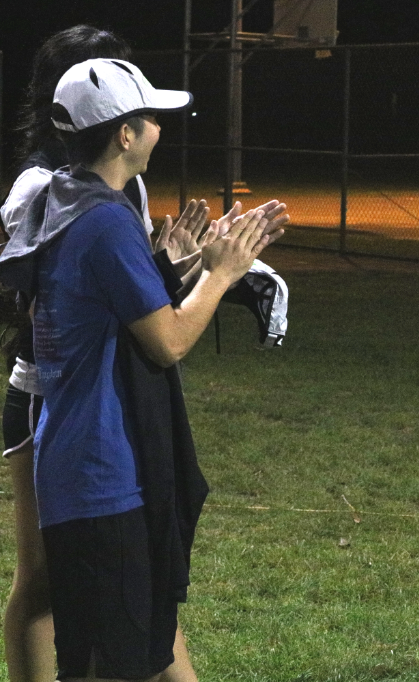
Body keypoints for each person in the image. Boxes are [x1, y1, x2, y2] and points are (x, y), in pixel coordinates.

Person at [0, 57, 280, 682]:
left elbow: (114, 312)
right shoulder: (103, 220)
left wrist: (181, 265)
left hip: (72, 460)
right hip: (103, 473)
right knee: (119, 665)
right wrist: (222, 273)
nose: (159, 127)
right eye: (149, 117)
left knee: (98, 658)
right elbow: (167, 342)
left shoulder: (68, 202)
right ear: (123, 134)